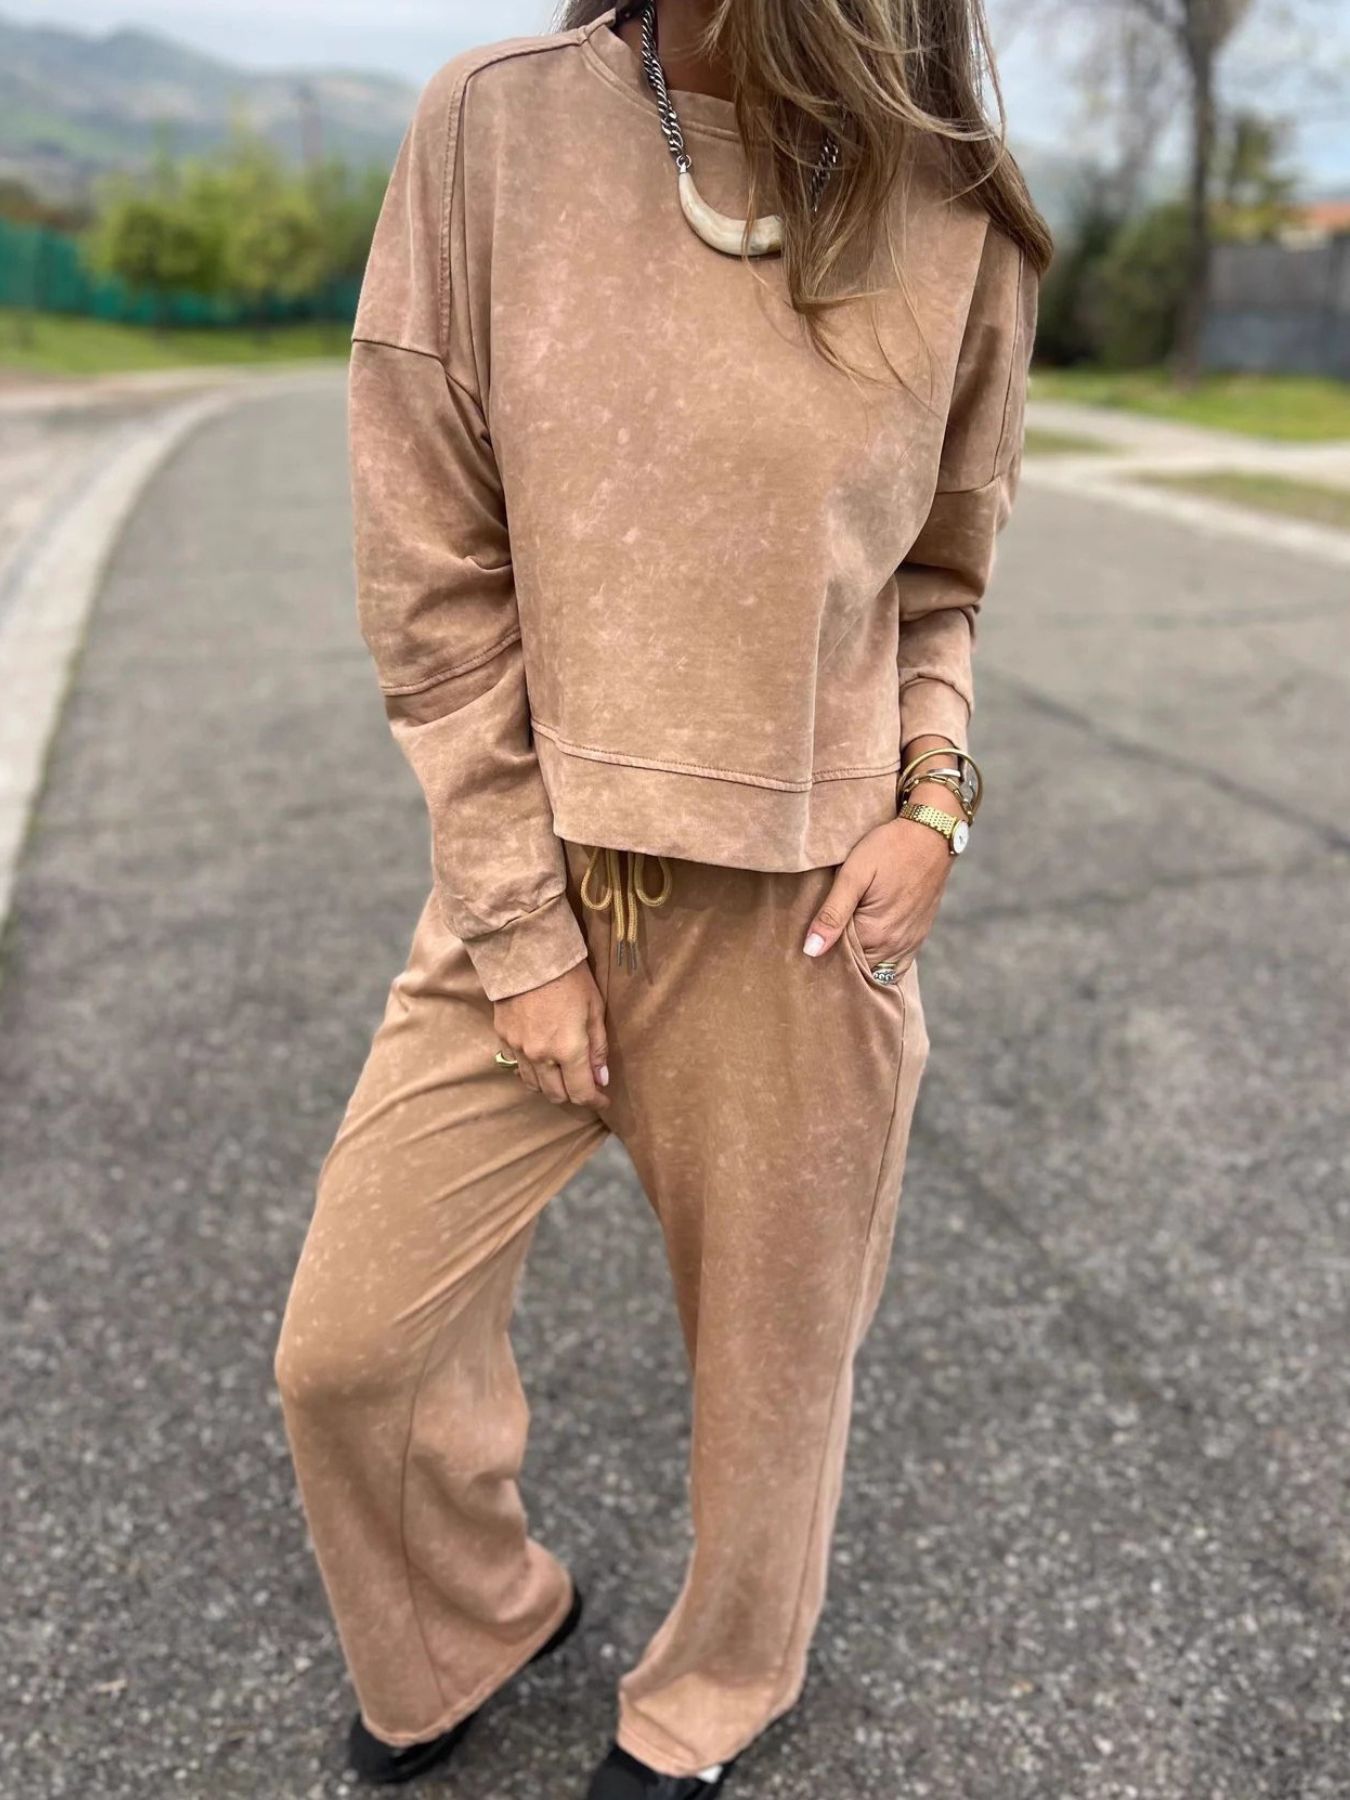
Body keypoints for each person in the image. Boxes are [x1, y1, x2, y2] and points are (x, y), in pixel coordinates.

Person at [273, 1, 1047, 1793]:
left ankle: (720, 1685)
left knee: (771, 1391)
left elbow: (940, 578)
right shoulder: (492, 131)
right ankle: (469, 1617)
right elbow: (433, 583)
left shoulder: (955, 213)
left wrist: (934, 801)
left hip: (805, 923)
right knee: (350, 1357)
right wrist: (521, 934)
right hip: (537, 890)